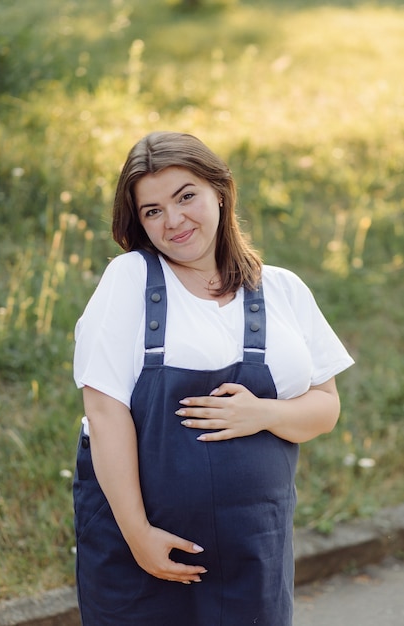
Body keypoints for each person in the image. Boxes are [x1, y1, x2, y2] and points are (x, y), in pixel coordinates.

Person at [73, 131, 354, 626]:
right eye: (152, 210)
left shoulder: (283, 289)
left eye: (186, 197)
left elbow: (325, 407)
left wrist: (264, 413)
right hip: (145, 553)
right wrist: (139, 536)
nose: (174, 220)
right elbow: (104, 410)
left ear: (220, 191)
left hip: (254, 553)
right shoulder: (130, 279)